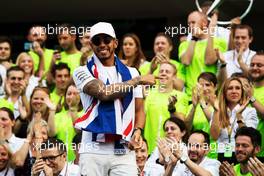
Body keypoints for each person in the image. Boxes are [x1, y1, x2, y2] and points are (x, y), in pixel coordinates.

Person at [73, 22, 155, 175]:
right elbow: (104, 93)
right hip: (93, 149)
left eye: (107, 40)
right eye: (97, 41)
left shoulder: (132, 72)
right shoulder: (82, 71)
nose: (102, 44)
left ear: (115, 43)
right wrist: (137, 81)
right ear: (91, 44)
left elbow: (139, 109)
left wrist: (138, 130)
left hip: (123, 149)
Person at [179, 11, 227, 98]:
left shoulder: (219, 42)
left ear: (204, 23)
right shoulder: (184, 45)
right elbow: (186, 62)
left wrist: (211, 31)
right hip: (191, 97)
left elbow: (209, 60)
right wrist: (194, 38)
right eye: (188, 23)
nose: (190, 26)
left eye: (193, 22)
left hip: (211, 97)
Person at [210, 77, 258, 163]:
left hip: (241, 154)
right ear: (224, 92)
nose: (234, 91)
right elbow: (214, 136)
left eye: (238, 88)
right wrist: (217, 111)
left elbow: (248, 136)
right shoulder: (217, 111)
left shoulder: (250, 111)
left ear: (242, 92)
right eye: (230, 88)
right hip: (221, 154)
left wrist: (239, 115)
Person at [144, 62, 188, 154]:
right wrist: (151, 70)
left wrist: (172, 108)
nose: (163, 73)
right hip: (148, 148)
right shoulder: (149, 93)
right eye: (161, 71)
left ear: (174, 77)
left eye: (167, 72)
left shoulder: (181, 96)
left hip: (170, 150)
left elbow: (182, 124)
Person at [53, 83, 83, 162]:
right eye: (69, 94)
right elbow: (51, 133)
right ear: (65, 96)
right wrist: (51, 111)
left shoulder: (85, 114)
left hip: (78, 159)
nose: (72, 96)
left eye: (75, 94)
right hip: (60, 160)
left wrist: (73, 108)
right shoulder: (58, 116)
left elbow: (79, 131)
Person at [248, 51, 264, 160]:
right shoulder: (244, 88)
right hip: (243, 153)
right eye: (252, 64)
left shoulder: (248, 93)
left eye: (259, 65)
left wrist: (251, 98)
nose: (255, 68)